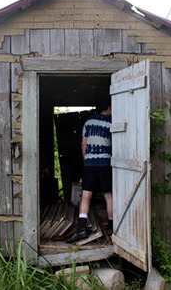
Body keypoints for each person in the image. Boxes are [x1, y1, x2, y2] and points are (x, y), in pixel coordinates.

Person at [66, 97, 113, 243]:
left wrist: (87, 162)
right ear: (109, 108)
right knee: (109, 196)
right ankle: (112, 228)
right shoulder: (111, 123)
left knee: (86, 196)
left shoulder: (89, 122)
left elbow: (83, 144)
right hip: (105, 162)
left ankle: (81, 230)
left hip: (90, 164)